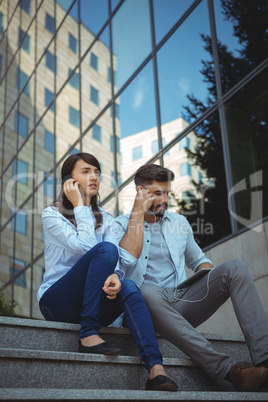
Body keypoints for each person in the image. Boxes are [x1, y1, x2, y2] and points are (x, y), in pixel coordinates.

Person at [113, 163, 268, 392]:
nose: (165, 199)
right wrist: (137, 213)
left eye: (167, 193)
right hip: (142, 309)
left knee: (235, 267)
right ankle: (230, 371)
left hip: (179, 301)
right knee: (145, 289)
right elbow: (122, 264)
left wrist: (207, 276)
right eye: (158, 193)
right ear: (140, 192)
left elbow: (199, 261)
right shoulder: (119, 225)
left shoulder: (179, 223)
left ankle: (264, 360)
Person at [37, 153, 178, 392]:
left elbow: (125, 259)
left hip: (92, 301)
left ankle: (155, 368)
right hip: (57, 301)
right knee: (106, 248)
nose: (94, 177)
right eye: (85, 171)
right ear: (68, 181)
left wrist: (117, 276)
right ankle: (88, 333)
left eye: (97, 172)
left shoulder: (107, 218)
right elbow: (88, 248)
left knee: (130, 286)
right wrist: (81, 206)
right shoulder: (51, 215)